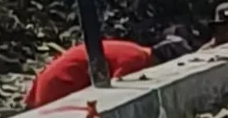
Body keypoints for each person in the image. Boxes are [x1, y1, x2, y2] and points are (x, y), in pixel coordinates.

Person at [25, 34, 189, 109]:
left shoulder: (134, 49)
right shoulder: (137, 60)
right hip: (59, 89)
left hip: (45, 83)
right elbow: (118, 93)